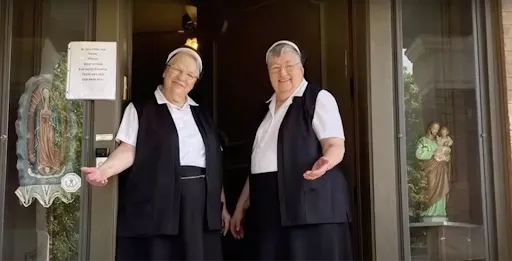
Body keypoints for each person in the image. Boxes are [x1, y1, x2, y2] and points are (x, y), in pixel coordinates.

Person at [80, 46, 230, 261]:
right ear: (165, 71)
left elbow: (213, 163)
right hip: (157, 201)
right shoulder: (142, 108)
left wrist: (221, 205)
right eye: (177, 70)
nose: (182, 78)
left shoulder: (201, 113)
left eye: (190, 75)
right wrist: (104, 171)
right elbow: (128, 149)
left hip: (199, 206)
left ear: (195, 81)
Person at [230, 40, 353, 261]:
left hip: (308, 205)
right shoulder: (264, 110)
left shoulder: (317, 98)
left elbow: (335, 145)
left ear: (301, 69)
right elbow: (258, 162)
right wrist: (241, 205)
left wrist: (325, 162)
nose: (283, 73)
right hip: (268, 206)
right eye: (275, 68)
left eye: (289, 66)